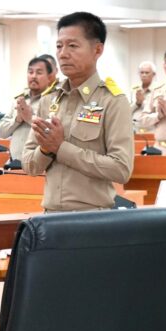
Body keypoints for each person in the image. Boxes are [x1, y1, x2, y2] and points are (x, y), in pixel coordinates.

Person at [22, 12, 133, 211]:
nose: (63, 54)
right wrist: (46, 149)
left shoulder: (112, 101)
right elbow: (30, 166)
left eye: (72, 46)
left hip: (91, 217)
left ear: (97, 50)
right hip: (50, 214)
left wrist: (61, 148)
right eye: (59, 46)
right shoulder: (49, 99)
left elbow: (121, 169)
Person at [0, 56, 54, 161]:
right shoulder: (19, 99)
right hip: (14, 162)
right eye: (30, 72)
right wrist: (17, 120)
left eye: (39, 73)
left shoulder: (54, 101)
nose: (34, 76)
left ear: (49, 77)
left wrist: (30, 118)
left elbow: (51, 134)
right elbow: (1, 132)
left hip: (40, 164)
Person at [130, 61, 157, 133]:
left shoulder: (158, 90)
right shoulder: (134, 90)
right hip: (134, 128)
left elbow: (158, 112)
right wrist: (137, 103)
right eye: (142, 72)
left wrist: (143, 102)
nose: (144, 75)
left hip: (151, 129)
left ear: (153, 74)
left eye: (147, 73)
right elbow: (128, 111)